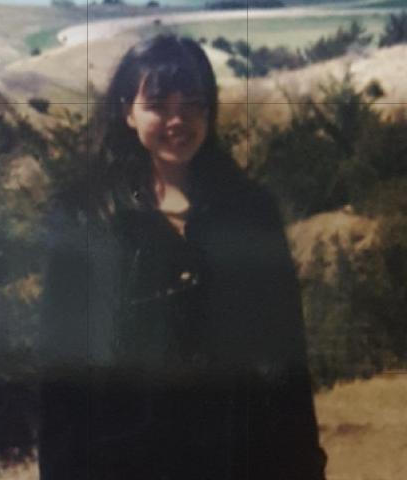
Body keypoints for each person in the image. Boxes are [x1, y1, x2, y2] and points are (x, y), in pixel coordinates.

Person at [39, 34, 326, 479]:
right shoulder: (85, 217)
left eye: (192, 104)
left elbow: (286, 357)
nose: (178, 120)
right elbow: (62, 377)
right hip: (125, 464)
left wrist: (305, 464)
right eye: (158, 105)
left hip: (241, 459)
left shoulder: (250, 213)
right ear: (127, 112)